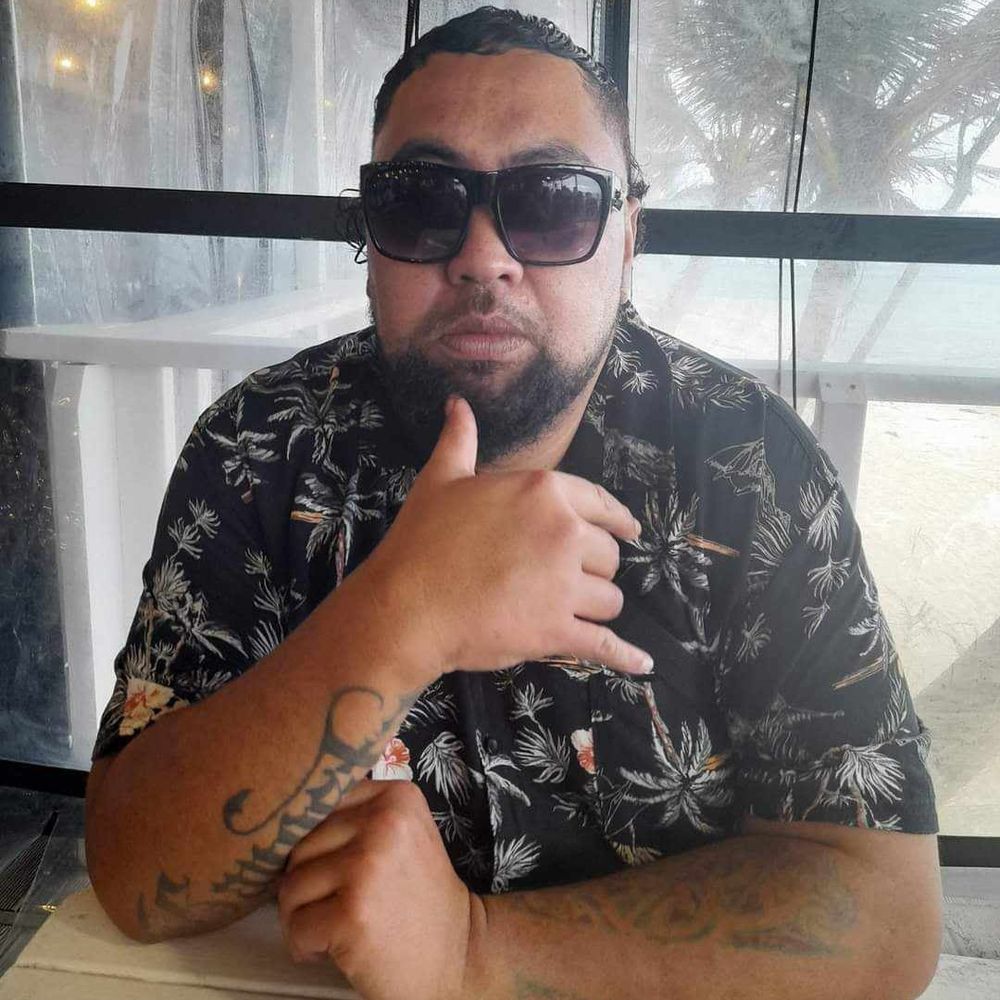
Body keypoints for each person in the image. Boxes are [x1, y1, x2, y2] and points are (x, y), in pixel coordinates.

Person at [85, 8, 941, 999]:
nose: (483, 256)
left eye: (554, 202)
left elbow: (884, 912)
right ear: (370, 235)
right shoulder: (260, 448)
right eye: (421, 203)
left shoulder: (750, 467)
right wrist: (398, 617)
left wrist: (476, 948)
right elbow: (138, 878)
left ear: (629, 234)